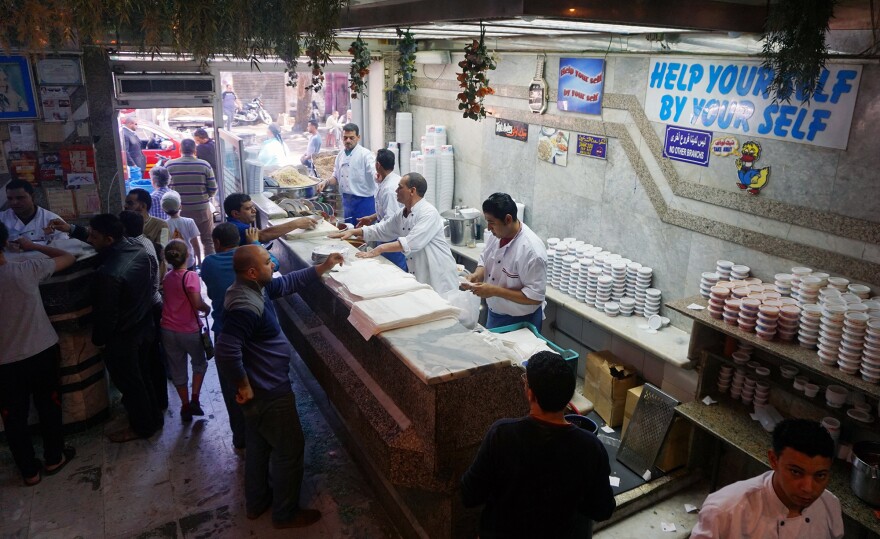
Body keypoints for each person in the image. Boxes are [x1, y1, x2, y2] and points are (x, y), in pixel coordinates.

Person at [215, 244, 343, 529]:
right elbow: (226, 350)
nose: (273, 264)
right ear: (251, 272)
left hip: (259, 392)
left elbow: (285, 283)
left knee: (259, 445)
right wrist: (244, 384)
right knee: (289, 449)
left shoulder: (253, 288)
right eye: (266, 261)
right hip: (268, 391)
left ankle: (257, 502)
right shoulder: (246, 305)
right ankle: (286, 514)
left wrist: (321, 268)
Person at [461, 351, 615, 538]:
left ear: (530, 393)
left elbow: (469, 495)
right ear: (569, 396)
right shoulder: (591, 447)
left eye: (525, 380)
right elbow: (603, 510)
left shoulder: (501, 435)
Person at [0, 222, 77, 486]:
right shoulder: (25, 269)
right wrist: (32, 246)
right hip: (41, 350)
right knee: (49, 405)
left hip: (5, 363)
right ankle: (54, 457)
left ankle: (29, 471)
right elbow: (68, 257)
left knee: (13, 417)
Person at [691, 418, 844, 539]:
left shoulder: (829, 505)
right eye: (796, 472)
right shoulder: (725, 511)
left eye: (820, 475)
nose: (808, 488)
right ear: (774, 460)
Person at [201, 223, 278, 450]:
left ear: (216, 243)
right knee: (260, 384)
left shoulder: (208, 264)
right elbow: (273, 264)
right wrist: (255, 244)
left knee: (233, 387)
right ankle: (265, 435)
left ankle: (241, 438)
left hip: (224, 333)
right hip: (255, 337)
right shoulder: (254, 261)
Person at [87, 213, 163, 442]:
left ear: (109, 239)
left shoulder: (109, 273)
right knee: (143, 377)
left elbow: (107, 314)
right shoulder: (139, 249)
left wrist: (99, 339)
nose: (90, 240)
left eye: (94, 236)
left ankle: (142, 427)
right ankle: (154, 418)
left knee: (130, 384)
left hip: (124, 336)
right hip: (144, 325)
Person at [330, 172, 458, 296]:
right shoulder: (402, 213)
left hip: (439, 275)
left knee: (443, 311)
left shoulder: (428, 213)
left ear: (412, 191)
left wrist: (379, 249)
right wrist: (353, 231)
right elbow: (382, 229)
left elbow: (411, 243)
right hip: (420, 273)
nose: (396, 190)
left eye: (400, 187)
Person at [465, 193, 547, 330]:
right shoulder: (497, 234)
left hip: (522, 321)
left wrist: (495, 291)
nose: (489, 228)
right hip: (495, 314)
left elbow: (535, 297)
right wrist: (477, 274)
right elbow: (484, 259)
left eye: (492, 222)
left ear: (508, 219)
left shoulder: (532, 252)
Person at [118, 210, 168, 412]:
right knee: (152, 358)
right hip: (152, 303)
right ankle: (158, 400)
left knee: (150, 360)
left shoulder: (136, 249)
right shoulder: (144, 242)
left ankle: (155, 403)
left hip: (148, 307)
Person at [161, 240, 210, 422]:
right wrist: (207, 309)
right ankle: (195, 399)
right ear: (187, 256)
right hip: (189, 330)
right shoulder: (190, 277)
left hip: (167, 329)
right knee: (199, 363)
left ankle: (185, 405)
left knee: (177, 369)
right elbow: (197, 304)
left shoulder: (167, 277)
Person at [354, 148, 405, 270]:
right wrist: (372, 217)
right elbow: (386, 211)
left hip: (391, 240)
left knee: (393, 272)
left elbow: (390, 222)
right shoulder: (389, 180)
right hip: (386, 236)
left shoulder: (389, 189)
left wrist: (366, 233)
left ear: (377, 165)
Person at [318, 123, 377, 226]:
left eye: (351, 138)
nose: (348, 141)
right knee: (349, 233)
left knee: (365, 235)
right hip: (347, 202)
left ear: (358, 138)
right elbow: (336, 177)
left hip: (364, 202)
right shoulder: (340, 156)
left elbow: (374, 173)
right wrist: (326, 182)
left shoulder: (366, 155)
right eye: (345, 138)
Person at [167, 138, 217, 256]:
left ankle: (188, 269)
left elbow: (167, 189)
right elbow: (213, 189)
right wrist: (204, 197)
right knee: (208, 241)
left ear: (180, 150)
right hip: (202, 209)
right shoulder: (204, 165)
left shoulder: (169, 165)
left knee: (182, 242)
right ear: (195, 150)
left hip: (179, 212)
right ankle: (206, 268)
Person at [223, 193, 315, 246]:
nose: (254, 211)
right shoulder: (237, 228)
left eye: (253, 207)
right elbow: (263, 235)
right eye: (248, 209)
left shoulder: (231, 223)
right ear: (235, 213)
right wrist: (296, 223)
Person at [1, 179, 67, 242]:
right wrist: (7, 246)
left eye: (20, 198)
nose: (14, 202)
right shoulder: (1, 218)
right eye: (10, 198)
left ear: (33, 197)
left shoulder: (52, 219)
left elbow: (65, 248)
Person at [162, 193, 201, 269]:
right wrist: (199, 260)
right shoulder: (189, 222)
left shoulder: (164, 224)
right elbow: (195, 244)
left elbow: (163, 245)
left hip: (171, 263)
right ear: (180, 206)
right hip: (188, 261)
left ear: (164, 210)